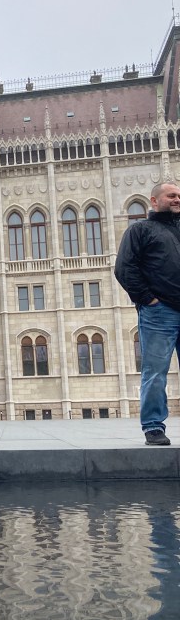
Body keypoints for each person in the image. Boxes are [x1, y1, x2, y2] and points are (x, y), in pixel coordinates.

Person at [115, 180, 180, 445]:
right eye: (171, 195)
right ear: (154, 201)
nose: (177, 199)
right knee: (155, 371)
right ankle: (153, 426)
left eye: (179, 195)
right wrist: (148, 300)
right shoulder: (140, 230)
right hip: (159, 312)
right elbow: (124, 268)